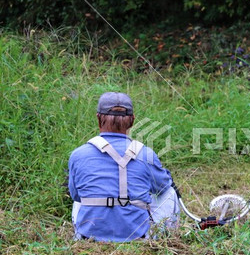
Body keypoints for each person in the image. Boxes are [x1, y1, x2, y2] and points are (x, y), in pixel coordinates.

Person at [68, 92, 179, 242]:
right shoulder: (146, 153)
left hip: (89, 235)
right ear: (132, 121)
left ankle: (81, 235)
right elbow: (162, 187)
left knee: (80, 197)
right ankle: (163, 236)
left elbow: (75, 195)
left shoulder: (78, 154)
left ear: (98, 118)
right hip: (137, 235)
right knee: (169, 192)